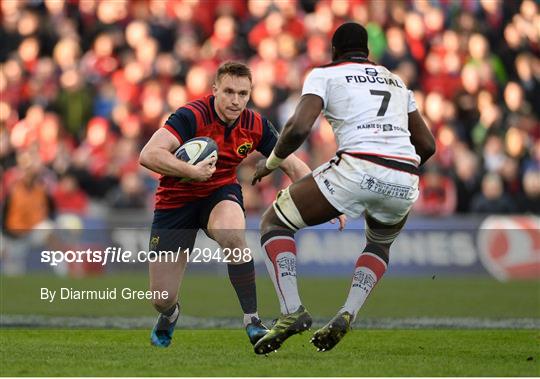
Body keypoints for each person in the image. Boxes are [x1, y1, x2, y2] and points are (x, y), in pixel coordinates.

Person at [251, 22, 436, 354]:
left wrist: (272, 162)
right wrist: (396, 171)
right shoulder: (395, 81)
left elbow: (298, 127)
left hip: (358, 166)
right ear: (368, 52)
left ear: (334, 50)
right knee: (379, 244)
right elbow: (427, 144)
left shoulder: (326, 74)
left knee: (274, 222)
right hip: (404, 174)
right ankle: (348, 311)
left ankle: (291, 311)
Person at [139, 61, 312, 348]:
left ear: (250, 94)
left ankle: (253, 321)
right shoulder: (190, 116)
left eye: (243, 94)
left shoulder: (255, 124)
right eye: (229, 91)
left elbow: (292, 165)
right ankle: (170, 315)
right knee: (161, 298)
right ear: (215, 89)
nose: (235, 100)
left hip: (218, 192)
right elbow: (148, 154)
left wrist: (326, 202)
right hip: (175, 202)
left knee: (233, 231)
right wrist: (191, 171)